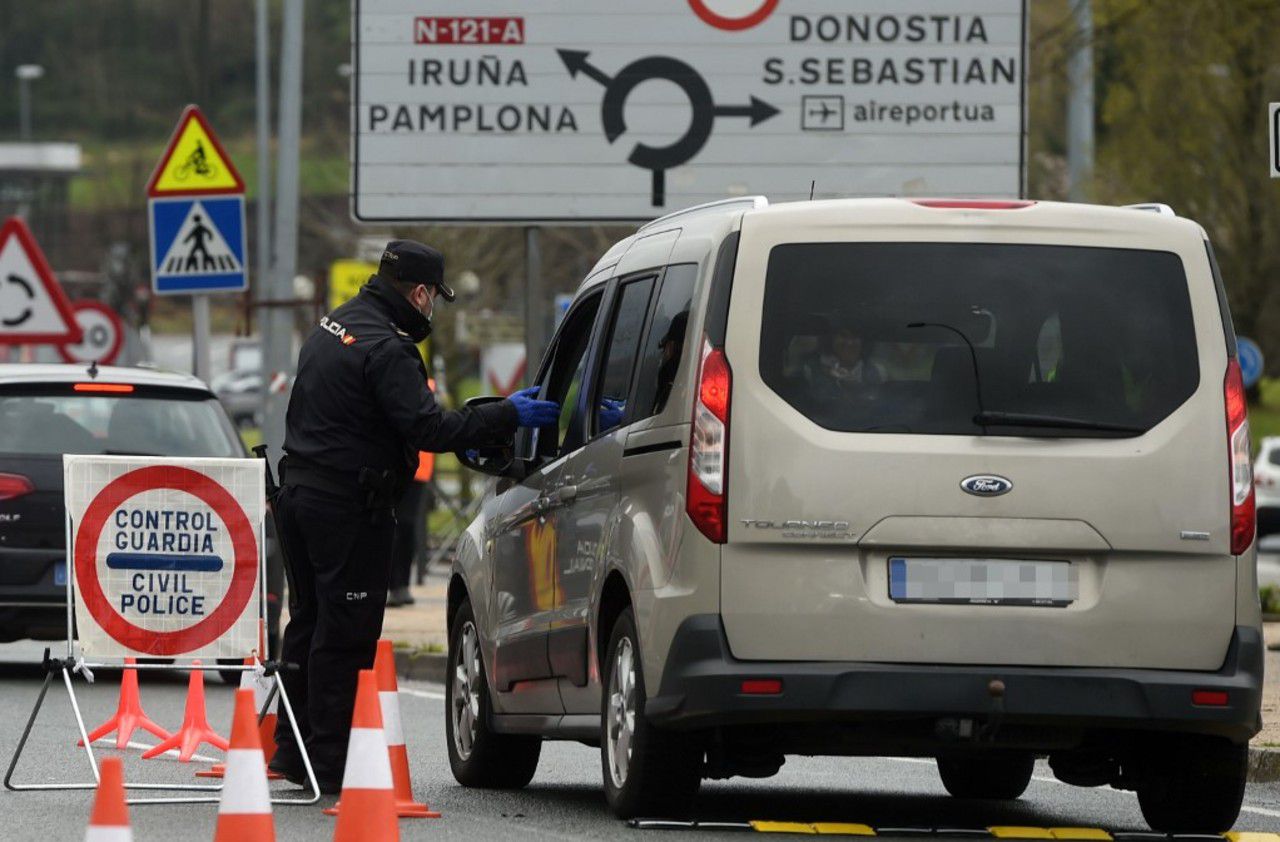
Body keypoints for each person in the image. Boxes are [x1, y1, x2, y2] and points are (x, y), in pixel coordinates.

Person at [267, 239, 559, 792]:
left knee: (306, 623)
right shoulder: (389, 349)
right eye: (433, 300)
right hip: (348, 508)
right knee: (345, 635)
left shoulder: (337, 324)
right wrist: (507, 413)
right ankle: (329, 766)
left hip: (300, 496)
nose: (432, 311)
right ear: (421, 293)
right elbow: (428, 429)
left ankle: (292, 748)